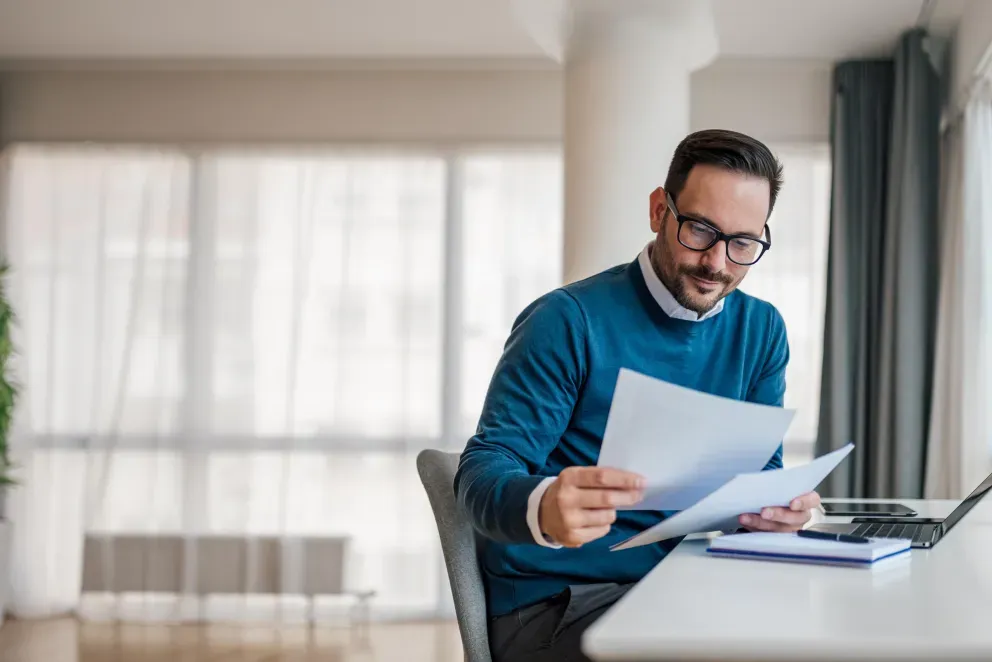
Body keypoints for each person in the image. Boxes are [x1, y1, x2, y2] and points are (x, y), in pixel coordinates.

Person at [453, 129, 821, 662]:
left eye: (743, 243)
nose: (717, 263)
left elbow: (757, 473)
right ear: (658, 211)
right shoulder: (566, 320)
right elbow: (483, 468)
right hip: (559, 604)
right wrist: (544, 506)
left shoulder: (762, 330)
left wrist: (771, 509)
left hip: (687, 589)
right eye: (700, 230)